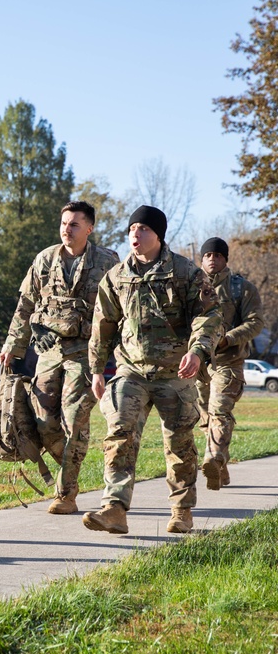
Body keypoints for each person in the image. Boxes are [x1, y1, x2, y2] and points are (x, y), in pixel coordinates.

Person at [83, 205, 222, 535]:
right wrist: (97, 370)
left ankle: (182, 510)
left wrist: (198, 351)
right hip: (130, 371)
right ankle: (114, 508)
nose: (135, 234)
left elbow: (210, 316)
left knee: (179, 443)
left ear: (158, 235)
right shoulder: (117, 276)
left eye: (143, 229)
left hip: (177, 372)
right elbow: (102, 323)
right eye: (132, 229)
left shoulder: (186, 272)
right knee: (119, 433)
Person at [0, 201, 119, 515]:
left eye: (75, 224)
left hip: (86, 353)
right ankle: (71, 467)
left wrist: (119, 351)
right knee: (45, 424)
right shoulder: (44, 259)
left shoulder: (107, 261)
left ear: (89, 228)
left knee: (74, 417)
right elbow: (26, 304)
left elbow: (122, 309)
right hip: (49, 351)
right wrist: (13, 345)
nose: (67, 229)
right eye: (64, 223)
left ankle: (66, 493)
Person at [196, 237, 264, 489]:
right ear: (201, 259)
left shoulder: (241, 288)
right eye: (208, 255)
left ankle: (214, 458)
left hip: (228, 361)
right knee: (204, 418)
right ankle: (221, 468)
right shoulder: (188, 286)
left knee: (220, 410)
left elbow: (256, 322)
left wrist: (229, 339)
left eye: (217, 255)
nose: (212, 259)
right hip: (197, 364)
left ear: (225, 259)